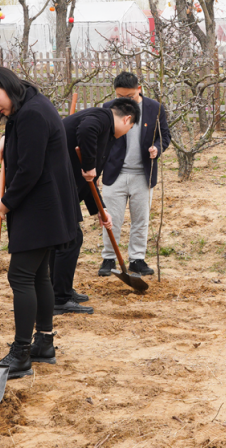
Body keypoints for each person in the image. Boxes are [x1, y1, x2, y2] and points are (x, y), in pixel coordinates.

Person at [0, 66, 85, 379]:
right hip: (48, 207)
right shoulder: (32, 103)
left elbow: (29, 169)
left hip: (39, 209)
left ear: (7, 86)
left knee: (21, 276)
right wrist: (7, 141)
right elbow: (29, 145)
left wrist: (7, 202)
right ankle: (44, 343)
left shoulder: (31, 114)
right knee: (38, 275)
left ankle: (21, 353)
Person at [58, 99, 140, 313]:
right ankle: (59, 297)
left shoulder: (107, 135)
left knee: (70, 239)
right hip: (56, 186)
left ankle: (61, 292)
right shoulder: (102, 118)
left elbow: (90, 181)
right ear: (127, 119)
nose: (127, 132)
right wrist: (89, 164)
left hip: (64, 187)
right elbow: (86, 130)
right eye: (130, 128)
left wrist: (101, 211)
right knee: (69, 240)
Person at [99, 72, 171, 277]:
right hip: (115, 172)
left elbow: (165, 135)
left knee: (141, 219)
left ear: (139, 89)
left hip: (143, 174)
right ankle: (109, 258)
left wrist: (157, 148)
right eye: (120, 96)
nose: (124, 101)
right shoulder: (108, 108)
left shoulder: (155, 108)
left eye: (129, 96)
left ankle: (137, 259)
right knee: (111, 219)